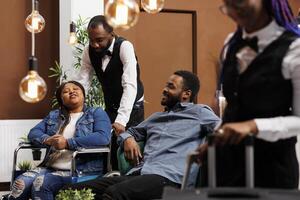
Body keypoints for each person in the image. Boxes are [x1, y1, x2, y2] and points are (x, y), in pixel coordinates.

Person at [62, 70, 220, 200]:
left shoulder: (199, 112)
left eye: (171, 87)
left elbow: (222, 129)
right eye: (166, 85)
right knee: (70, 192)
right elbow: (129, 132)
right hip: (141, 173)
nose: (164, 89)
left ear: (186, 94)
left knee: (115, 194)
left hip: (170, 178)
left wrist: (210, 144)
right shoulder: (155, 118)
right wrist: (128, 139)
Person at [197, 0, 300, 189]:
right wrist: (217, 138)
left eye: (240, 2)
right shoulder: (231, 43)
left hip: (271, 169)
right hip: (227, 167)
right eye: (227, 5)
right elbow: (235, 107)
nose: (233, 10)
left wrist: (253, 126)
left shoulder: (295, 49)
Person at [8, 81, 111, 200]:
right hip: (50, 168)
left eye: (75, 89)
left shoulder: (96, 113)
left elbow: (103, 137)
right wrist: (46, 140)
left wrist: (67, 143)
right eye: (66, 91)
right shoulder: (54, 115)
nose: (71, 91)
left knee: (41, 184)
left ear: (83, 94)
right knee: (19, 185)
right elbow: (34, 132)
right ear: (61, 99)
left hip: (80, 170)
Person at [75, 15, 144, 170]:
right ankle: (111, 187)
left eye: (99, 40)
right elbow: (83, 80)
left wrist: (122, 119)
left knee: (129, 153)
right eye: (91, 40)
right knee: (111, 150)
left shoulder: (125, 47)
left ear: (111, 34)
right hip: (110, 105)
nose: (95, 45)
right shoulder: (89, 50)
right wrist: (74, 105)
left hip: (132, 107)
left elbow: (130, 85)